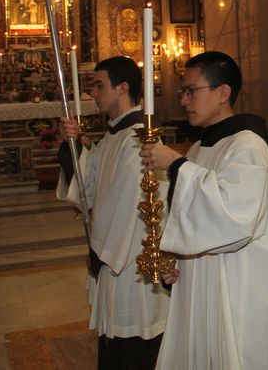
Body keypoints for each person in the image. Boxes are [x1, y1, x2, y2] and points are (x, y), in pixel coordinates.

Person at [139, 51, 268, 370]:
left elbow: (234, 218)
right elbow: (194, 217)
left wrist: (176, 165)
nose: (184, 100)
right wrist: (178, 259)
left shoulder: (248, 145)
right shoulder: (202, 147)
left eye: (191, 91)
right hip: (203, 281)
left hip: (241, 285)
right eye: (181, 92)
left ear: (223, 92)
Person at [56, 56, 170, 370]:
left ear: (122, 88)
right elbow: (88, 183)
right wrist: (74, 146)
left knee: (135, 344)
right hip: (114, 255)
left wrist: (99, 252)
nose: (93, 92)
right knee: (117, 344)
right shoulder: (114, 136)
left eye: (99, 85)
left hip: (130, 260)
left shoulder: (138, 139)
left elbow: (124, 205)